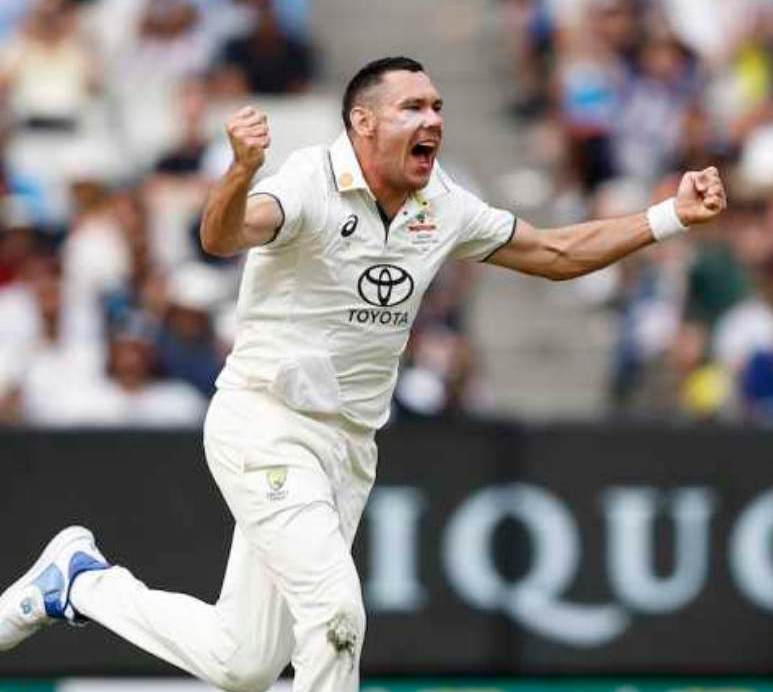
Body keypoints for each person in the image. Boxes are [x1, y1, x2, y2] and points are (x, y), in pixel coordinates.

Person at [0, 55, 726, 692]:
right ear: (363, 121)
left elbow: (559, 253)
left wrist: (669, 216)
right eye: (413, 106)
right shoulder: (310, 180)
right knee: (337, 612)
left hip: (348, 447)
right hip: (265, 423)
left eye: (438, 106)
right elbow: (220, 235)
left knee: (242, 662)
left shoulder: (443, 204)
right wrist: (241, 171)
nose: (433, 118)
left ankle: (82, 584)